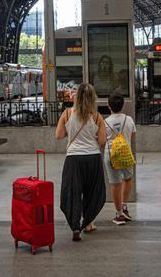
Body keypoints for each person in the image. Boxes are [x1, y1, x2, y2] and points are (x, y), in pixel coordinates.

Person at [56, 83, 107, 241]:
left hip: (73, 159)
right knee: (92, 193)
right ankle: (88, 223)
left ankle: (75, 226)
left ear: (76, 96)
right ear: (93, 98)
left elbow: (59, 135)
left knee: (72, 192)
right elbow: (103, 142)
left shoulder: (67, 113)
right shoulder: (98, 117)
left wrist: (71, 130)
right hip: (93, 158)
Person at [104, 92, 136, 226]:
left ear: (109, 106)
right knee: (127, 179)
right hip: (125, 153)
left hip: (111, 155)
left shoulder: (105, 122)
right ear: (122, 105)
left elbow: (101, 141)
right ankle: (124, 207)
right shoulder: (129, 120)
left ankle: (119, 215)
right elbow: (133, 138)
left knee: (115, 183)